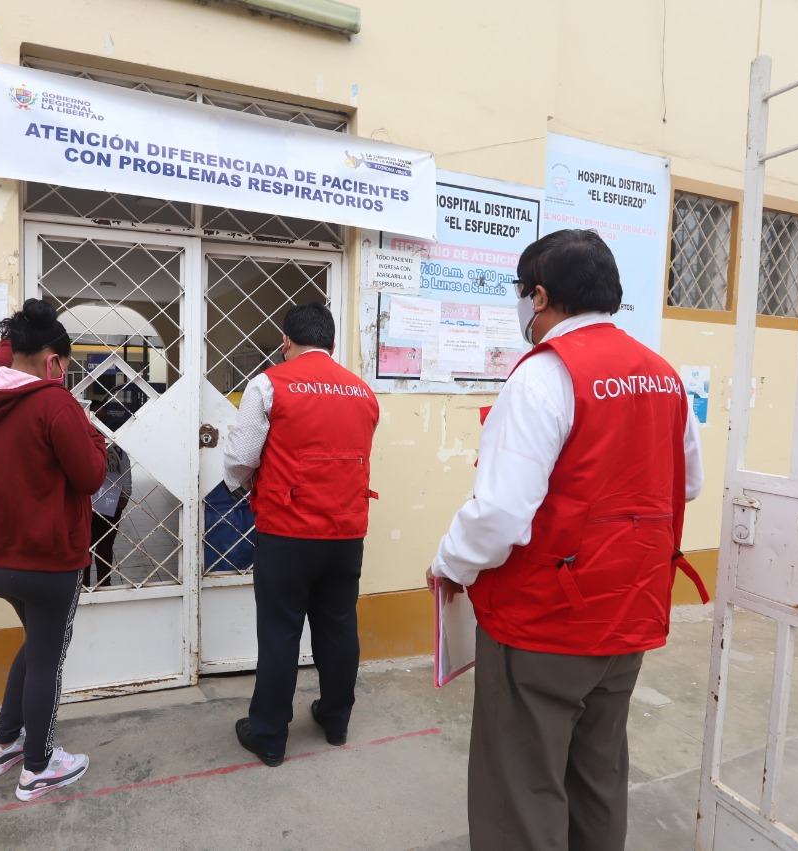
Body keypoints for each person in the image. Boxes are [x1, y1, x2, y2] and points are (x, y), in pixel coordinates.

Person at [426, 229, 706, 850]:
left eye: (523, 295)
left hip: (544, 620)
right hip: (629, 610)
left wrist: (450, 562)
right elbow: (684, 486)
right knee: (599, 775)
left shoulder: (544, 376)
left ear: (542, 296)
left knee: (520, 788)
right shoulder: (663, 377)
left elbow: (499, 514)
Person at [0, 298, 108, 802]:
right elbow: (91, 476)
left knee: (34, 646)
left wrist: (28, 323)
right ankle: (40, 766)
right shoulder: (54, 404)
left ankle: (5, 743)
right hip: (48, 562)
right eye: (63, 366)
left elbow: (2, 353)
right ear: (53, 362)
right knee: (48, 659)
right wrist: (92, 431)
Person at [223, 302, 380, 767]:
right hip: (346, 532)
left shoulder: (269, 383)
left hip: (287, 531)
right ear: (332, 345)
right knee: (338, 626)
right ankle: (336, 721)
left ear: (286, 341)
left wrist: (240, 484)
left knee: (279, 632)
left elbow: (241, 457)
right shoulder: (363, 392)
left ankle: (270, 736)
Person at [86, 401, 133, 589]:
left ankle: (106, 585)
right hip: (86, 506)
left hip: (111, 506)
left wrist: (124, 497)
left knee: (105, 548)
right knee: (85, 550)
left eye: (102, 416)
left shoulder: (115, 446)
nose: (99, 419)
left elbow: (125, 470)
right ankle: (84, 585)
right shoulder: (82, 441)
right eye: (95, 416)